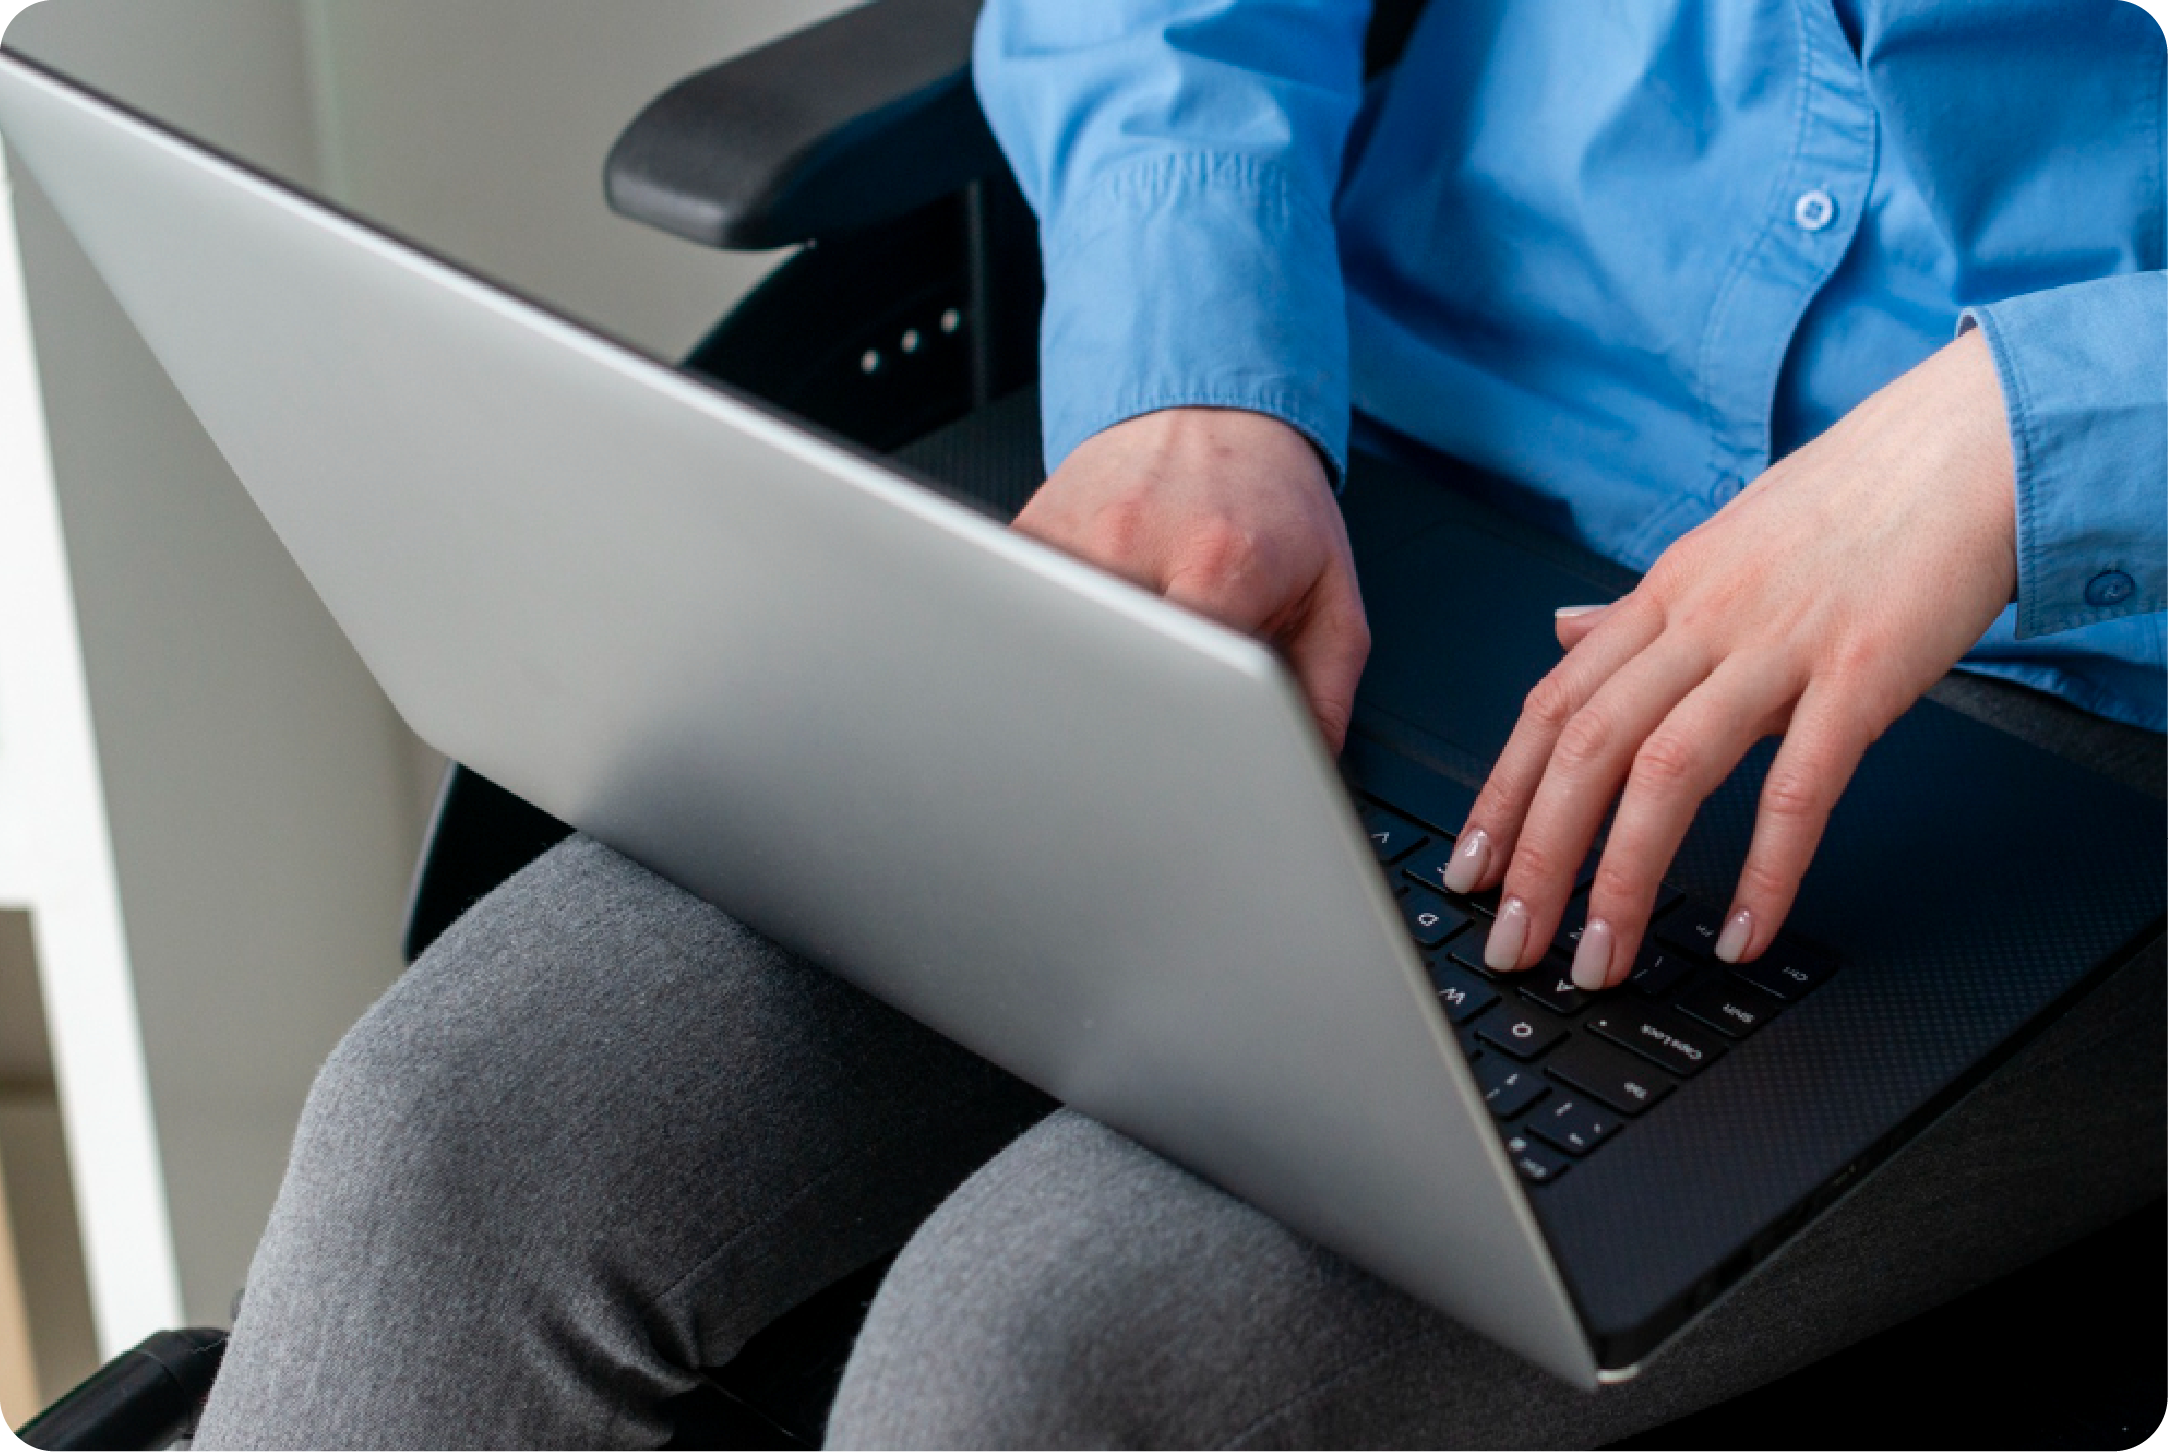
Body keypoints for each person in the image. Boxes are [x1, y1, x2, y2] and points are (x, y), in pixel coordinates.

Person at [192, 2, 2168, 1448]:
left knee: (1045, 1357)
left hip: (2050, 696)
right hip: (1394, 437)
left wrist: (2033, 438)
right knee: (449, 1139)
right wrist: (1191, 357)